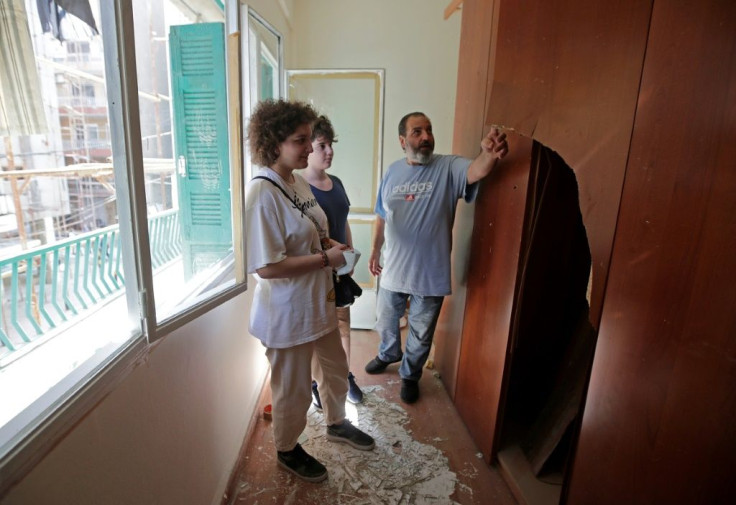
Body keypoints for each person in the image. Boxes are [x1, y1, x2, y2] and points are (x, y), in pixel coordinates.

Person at [245, 99, 375, 483]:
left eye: (309, 138)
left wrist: (335, 245)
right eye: (301, 140)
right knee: (294, 389)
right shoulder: (262, 194)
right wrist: (325, 261)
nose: (309, 147)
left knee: (335, 372)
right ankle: (287, 449)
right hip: (286, 313)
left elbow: (311, 233)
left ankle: (336, 422)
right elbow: (266, 266)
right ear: (274, 143)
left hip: (316, 304)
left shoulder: (296, 181)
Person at [365, 112, 509, 404]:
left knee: (420, 332)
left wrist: (488, 156)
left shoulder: (448, 166)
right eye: (417, 132)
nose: (426, 137)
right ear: (403, 140)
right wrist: (374, 249)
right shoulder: (392, 172)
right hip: (393, 266)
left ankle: (409, 375)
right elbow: (381, 215)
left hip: (430, 272)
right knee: (387, 319)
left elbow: (476, 171)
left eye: (429, 130)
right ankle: (388, 353)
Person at [301, 115, 364, 407]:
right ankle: (317, 383)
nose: (329, 151)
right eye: (321, 145)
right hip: (318, 268)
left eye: (330, 145)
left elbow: (344, 221)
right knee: (319, 330)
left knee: (342, 324)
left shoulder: (335, 182)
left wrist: (350, 258)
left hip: (341, 267)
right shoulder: (300, 188)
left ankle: (345, 375)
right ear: (308, 149)